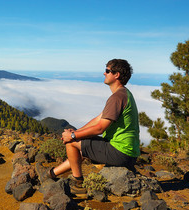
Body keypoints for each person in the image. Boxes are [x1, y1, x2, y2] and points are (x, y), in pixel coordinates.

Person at [38, 59, 140, 197]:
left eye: (108, 71)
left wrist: (73, 137)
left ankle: (78, 184)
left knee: (72, 143)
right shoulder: (123, 94)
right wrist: (76, 132)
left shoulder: (117, 98)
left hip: (120, 152)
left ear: (116, 75)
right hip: (127, 152)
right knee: (79, 149)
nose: (104, 73)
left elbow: (100, 128)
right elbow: (97, 120)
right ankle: (50, 174)